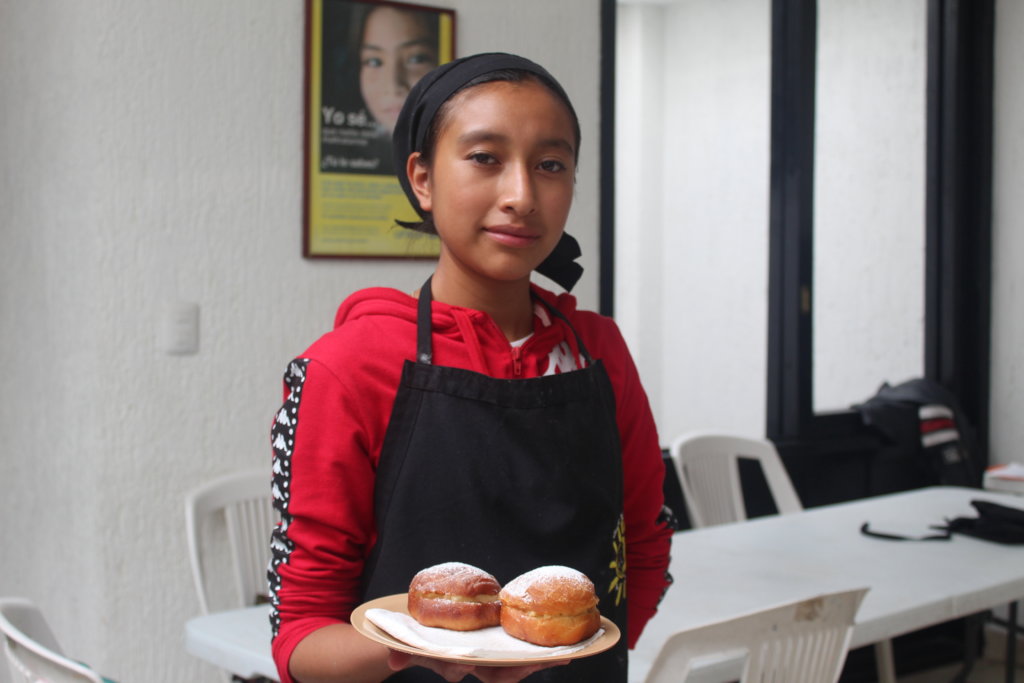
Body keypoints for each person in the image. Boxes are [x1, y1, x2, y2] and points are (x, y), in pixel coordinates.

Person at [269, 52, 674, 683]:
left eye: (550, 165)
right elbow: (300, 636)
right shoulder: (346, 368)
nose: (521, 195)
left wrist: (576, 656)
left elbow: (645, 546)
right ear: (423, 179)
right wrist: (419, 649)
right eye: (485, 158)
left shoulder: (600, 351)